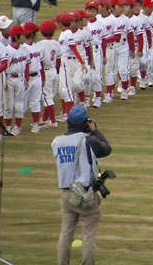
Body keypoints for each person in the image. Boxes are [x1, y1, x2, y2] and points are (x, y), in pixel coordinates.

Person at [51, 105, 111, 265]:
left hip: (67, 193)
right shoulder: (88, 141)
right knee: (88, 235)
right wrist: (95, 131)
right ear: (85, 122)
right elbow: (106, 149)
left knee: (66, 233)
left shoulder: (56, 142)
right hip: (86, 193)